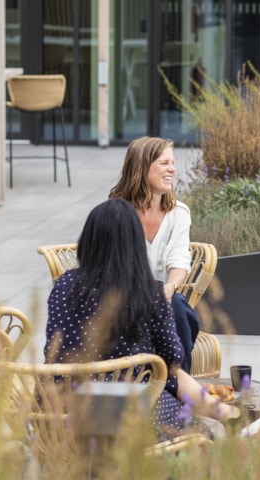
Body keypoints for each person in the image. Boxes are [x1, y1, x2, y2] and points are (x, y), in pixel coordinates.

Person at [45, 198, 240, 440]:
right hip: (128, 412)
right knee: (199, 431)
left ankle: (220, 410)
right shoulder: (149, 293)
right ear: (135, 245)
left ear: (88, 241)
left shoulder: (63, 285)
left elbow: (51, 349)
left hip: (59, 410)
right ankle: (222, 412)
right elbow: (173, 358)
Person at [109, 136, 198, 373]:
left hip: (163, 297)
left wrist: (169, 288)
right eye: (164, 163)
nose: (172, 168)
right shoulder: (117, 212)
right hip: (122, 298)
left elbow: (180, 261)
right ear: (142, 167)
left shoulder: (179, 213)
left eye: (173, 162)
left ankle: (178, 383)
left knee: (177, 305)